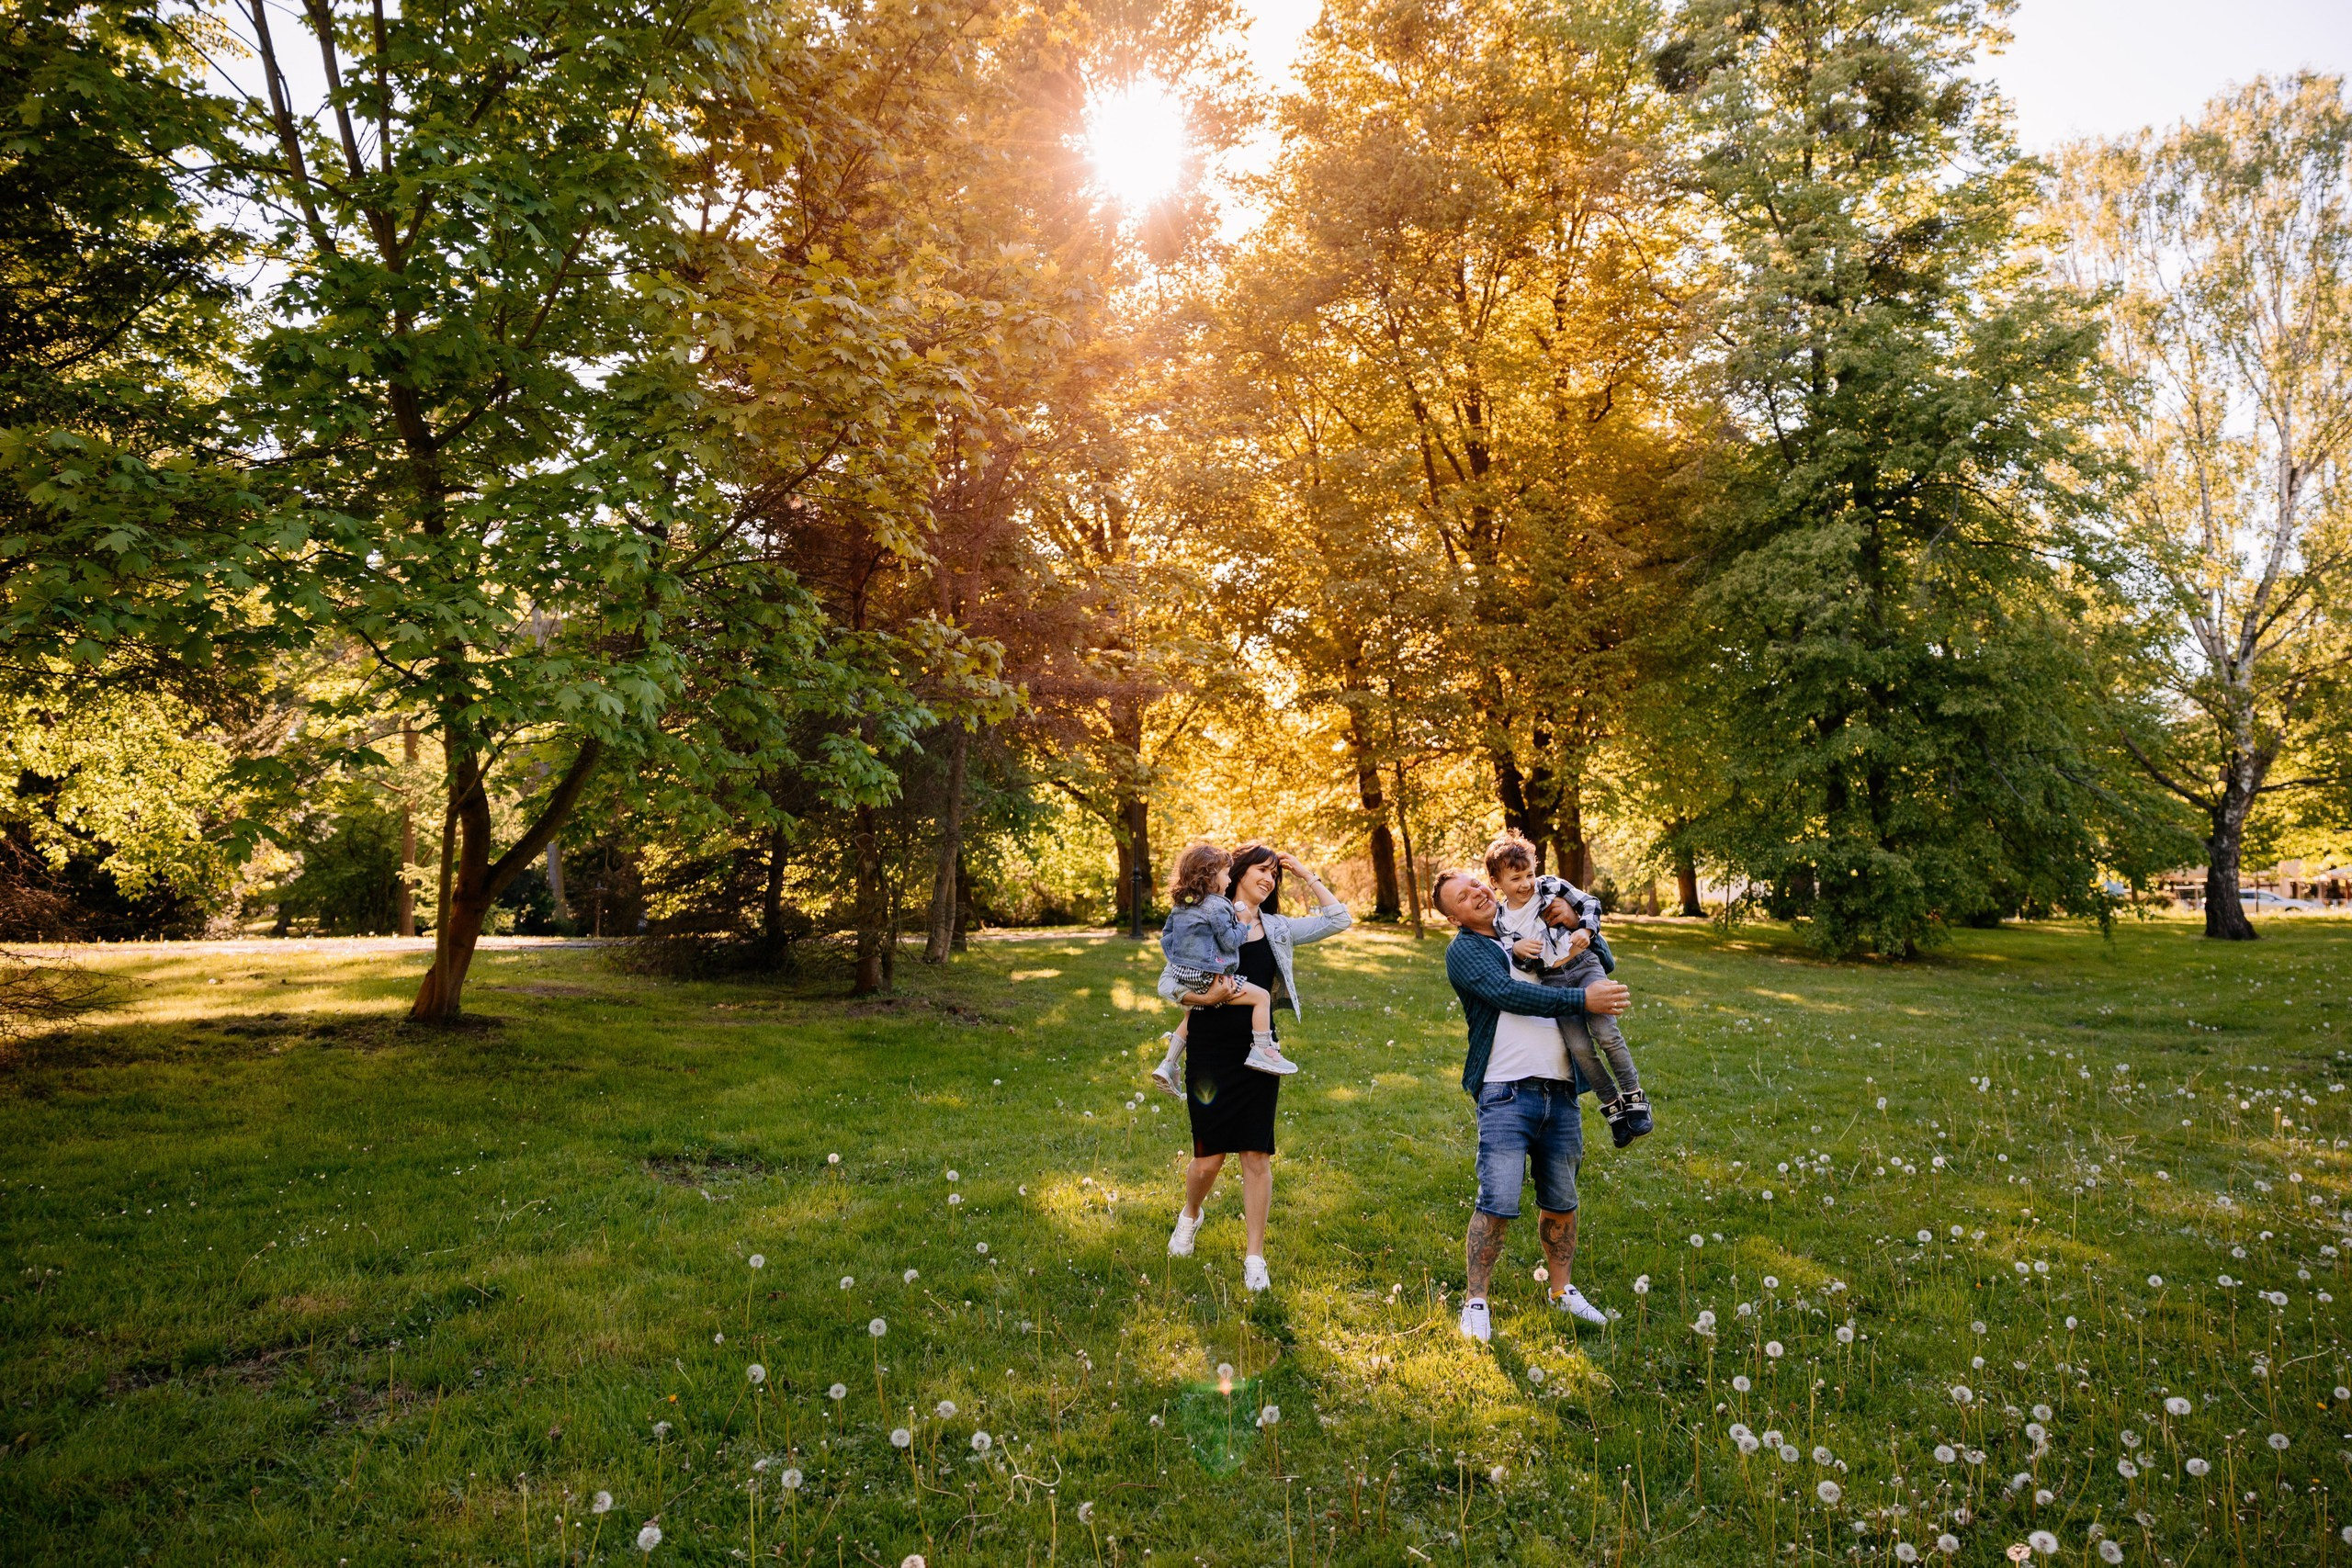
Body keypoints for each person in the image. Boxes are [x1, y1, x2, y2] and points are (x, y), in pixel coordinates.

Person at [1431, 866, 1631, 1342]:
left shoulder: (1531, 916)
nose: (1476, 893)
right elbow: (1508, 994)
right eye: (1463, 897)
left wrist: (1577, 925)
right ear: (1454, 918)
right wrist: (1583, 1001)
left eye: (1475, 884)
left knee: (1562, 1201)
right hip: (1504, 1089)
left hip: (1560, 1086)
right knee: (1497, 1203)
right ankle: (1475, 1301)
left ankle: (1562, 1292)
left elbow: (1603, 959)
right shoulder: (1465, 950)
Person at [1163, 845, 1351, 1293]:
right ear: (1239, 872)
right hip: (1209, 1047)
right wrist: (1205, 998)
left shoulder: (1278, 928)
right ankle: (1191, 1214)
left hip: (1258, 1051)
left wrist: (1304, 872)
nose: (1269, 879)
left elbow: (1339, 919)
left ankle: (1254, 1257)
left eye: (1275, 875)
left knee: (1256, 1154)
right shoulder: (1204, 916)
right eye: (1262, 871)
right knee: (1208, 1158)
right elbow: (1169, 982)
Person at [1485, 836, 1653, 1146]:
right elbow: (1512, 958)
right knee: (1579, 1047)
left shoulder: (1550, 887)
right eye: (1516, 878)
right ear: (1496, 882)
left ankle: (1634, 1094)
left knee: (1606, 1033)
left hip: (1584, 965)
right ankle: (1613, 1106)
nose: (1526, 884)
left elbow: (1591, 903)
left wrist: (1585, 929)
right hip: (1553, 981)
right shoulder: (1501, 919)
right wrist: (1518, 951)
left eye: (1529, 874)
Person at [1152, 843, 1290, 1082]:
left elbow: (1168, 935)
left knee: (1191, 1014)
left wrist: (1181, 960)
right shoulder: (1218, 905)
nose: (1229, 879)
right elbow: (1229, 941)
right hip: (1210, 977)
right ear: (1210, 876)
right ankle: (1262, 1049)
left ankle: (1168, 1063)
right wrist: (1243, 923)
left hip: (1184, 974)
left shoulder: (1183, 905)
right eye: (1226, 874)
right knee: (1262, 997)